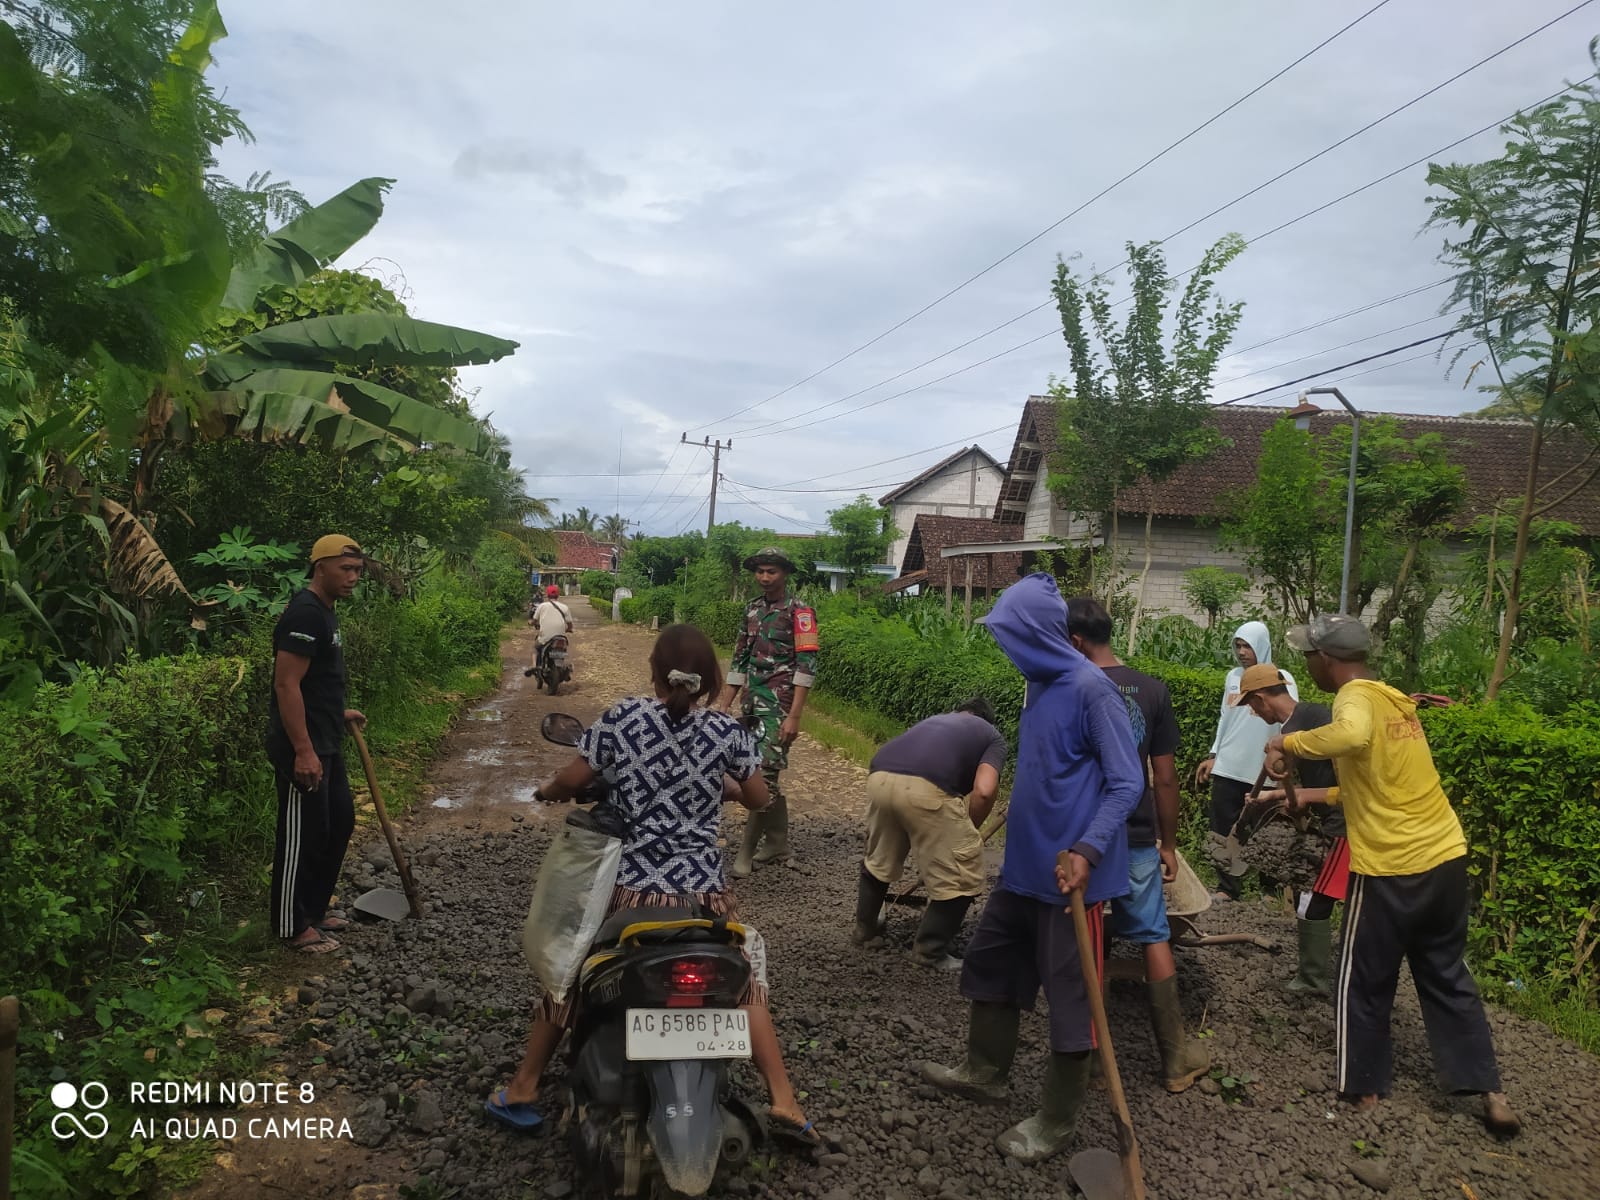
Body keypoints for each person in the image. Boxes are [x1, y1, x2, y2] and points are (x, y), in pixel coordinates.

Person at [487, 624, 822, 1148]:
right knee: (745, 983)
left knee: (571, 969)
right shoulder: (726, 731)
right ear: (712, 678)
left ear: (654, 672)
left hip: (631, 893)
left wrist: (549, 789)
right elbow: (758, 798)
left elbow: (573, 779)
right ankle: (783, 1098)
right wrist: (724, 788)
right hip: (705, 898)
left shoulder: (624, 717)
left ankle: (524, 1086)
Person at [1266, 614, 1519, 1139]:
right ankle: (1490, 1092)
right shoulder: (1393, 699)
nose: (1307, 662)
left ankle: (1363, 1086)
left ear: (1327, 660)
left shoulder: (1353, 699)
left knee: (1362, 976)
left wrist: (1286, 744)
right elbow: (1374, 784)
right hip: (1445, 858)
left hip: (1391, 867)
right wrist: (1307, 795)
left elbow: (1350, 735)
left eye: (1309, 655)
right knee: (1447, 974)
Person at [921, 573, 1143, 1165]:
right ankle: (985, 1070)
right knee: (992, 963)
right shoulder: (1038, 687)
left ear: (1040, 636)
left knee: (1074, 999)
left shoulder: (1092, 690)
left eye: (1011, 637)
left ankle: (1057, 1119)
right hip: (1023, 871)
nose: (1006, 648)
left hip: (1074, 879)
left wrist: (1087, 848)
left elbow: (1128, 782)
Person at [1064, 597, 1209, 1093]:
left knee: (1089, 930)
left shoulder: (1066, 688)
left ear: (1074, 640)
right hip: (1136, 832)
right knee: (1152, 935)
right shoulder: (1152, 690)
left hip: (1084, 835)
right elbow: (1164, 779)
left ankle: (1083, 1059)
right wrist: (1169, 843)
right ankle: (1173, 1062)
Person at [266, 534, 367, 955]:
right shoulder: (306, 614)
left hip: (325, 736)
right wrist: (303, 751)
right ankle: (291, 925)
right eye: (345, 569)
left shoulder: (327, 613)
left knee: (338, 823)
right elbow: (286, 685)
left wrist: (336, 714)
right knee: (303, 835)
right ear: (320, 567)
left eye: (358, 571)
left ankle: (316, 909)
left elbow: (314, 682)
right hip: (302, 746)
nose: (353, 578)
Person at [852, 697, 1007, 970]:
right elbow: (984, 790)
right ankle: (929, 952)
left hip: (879, 777)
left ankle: (865, 930)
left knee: (880, 859)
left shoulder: (935, 719)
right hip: (926, 788)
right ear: (986, 719)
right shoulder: (991, 736)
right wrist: (966, 837)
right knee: (964, 874)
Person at [1232, 662, 1345, 998]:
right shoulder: (1303, 722)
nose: (1252, 711)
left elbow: (1339, 763)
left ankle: (1313, 982)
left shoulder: (1302, 724)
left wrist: (1280, 751)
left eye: (1251, 704)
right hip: (1336, 819)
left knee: (1313, 904)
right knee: (1331, 902)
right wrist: (1275, 795)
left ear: (1263, 696)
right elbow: (1308, 784)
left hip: (1345, 825)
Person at [715, 546, 818, 877]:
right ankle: (776, 841)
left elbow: (806, 667)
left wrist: (795, 716)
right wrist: (723, 704)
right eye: (759, 571)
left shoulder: (801, 612)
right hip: (751, 705)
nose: (764, 577)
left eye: (771, 571)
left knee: (764, 775)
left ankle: (746, 852)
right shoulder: (752, 610)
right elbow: (740, 660)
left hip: (780, 705)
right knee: (755, 770)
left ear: (784, 574)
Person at [1195, 620, 1297, 900]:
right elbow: (1224, 719)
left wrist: (1283, 759)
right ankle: (1227, 887)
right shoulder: (1233, 677)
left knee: (1268, 830)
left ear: (1261, 646)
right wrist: (1214, 755)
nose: (1241, 652)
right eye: (1238, 645)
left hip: (1262, 770)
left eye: (1247, 646)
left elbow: (1290, 721)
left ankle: (1269, 889)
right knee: (1222, 829)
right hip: (1229, 766)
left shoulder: (1280, 677)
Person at [523, 584, 573, 681]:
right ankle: (563, 668)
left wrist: (530, 623)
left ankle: (534, 665)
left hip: (545, 637)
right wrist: (568, 629)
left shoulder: (542, 606)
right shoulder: (565, 607)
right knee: (562, 650)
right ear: (558, 595)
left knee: (535, 648)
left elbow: (534, 620)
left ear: (547, 595)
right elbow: (570, 625)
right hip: (560, 638)